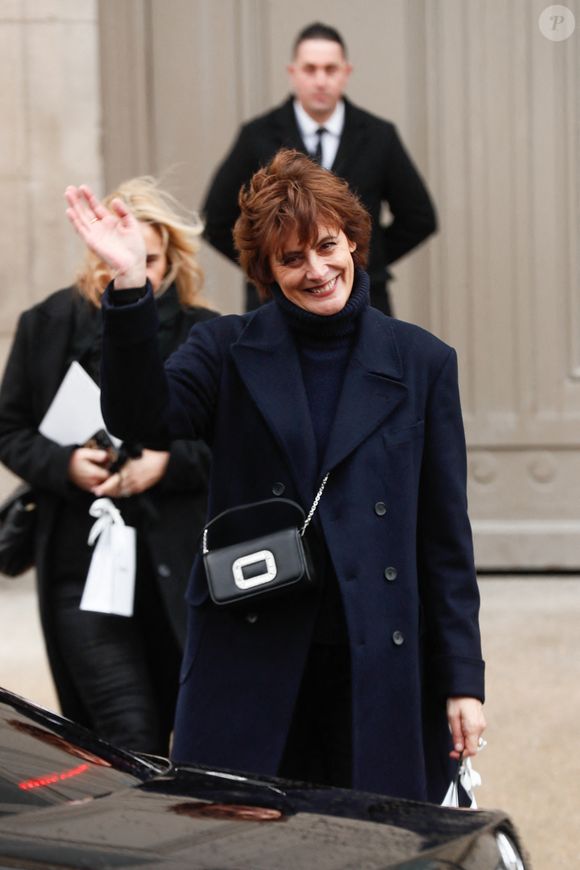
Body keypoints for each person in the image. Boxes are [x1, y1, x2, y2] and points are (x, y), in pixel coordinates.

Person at [64, 149, 485, 803]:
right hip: (250, 659)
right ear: (266, 270)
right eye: (292, 258)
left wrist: (463, 681)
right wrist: (127, 287)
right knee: (240, 840)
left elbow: (445, 542)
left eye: (326, 245)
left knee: (371, 842)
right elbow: (142, 417)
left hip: (374, 665)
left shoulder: (423, 363)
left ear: (352, 239)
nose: (317, 270)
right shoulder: (225, 350)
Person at [0, 177, 219, 756]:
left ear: (173, 260)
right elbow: (9, 429)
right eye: (121, 257)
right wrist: (65, 464)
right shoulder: (46, 324)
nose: (136, 271)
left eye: (151, 260)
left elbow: (233, 445)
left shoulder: (205, 336)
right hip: (82, 566)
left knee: (191, 739)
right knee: (127, 737)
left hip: (178, 570)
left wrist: (163, 465)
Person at [202, 21, 437, 315]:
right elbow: (216, 219)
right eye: (310, 69)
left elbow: (419, 217)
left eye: (330, 69)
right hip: (277, 304)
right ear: (293, 73)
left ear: (346, 73)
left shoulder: (379, 135)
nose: (321, 80)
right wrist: (271, 262)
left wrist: (361, 257)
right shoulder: (257, 136)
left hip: (363, 298)